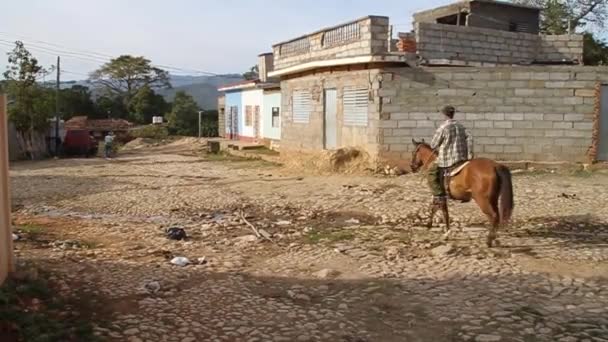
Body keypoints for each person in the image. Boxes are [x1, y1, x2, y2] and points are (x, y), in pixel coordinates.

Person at [428, 105, 473, 205]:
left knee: (431, 172)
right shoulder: (461, 126)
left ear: (444, 115)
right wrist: (469, 153)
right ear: (453, 114)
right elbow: (470, 138)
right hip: (462, 158)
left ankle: (438, 195)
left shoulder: (443, 127)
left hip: (447, 159)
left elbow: (433, 144)